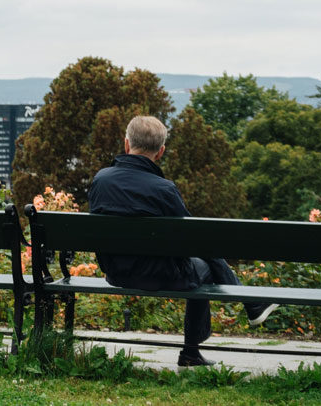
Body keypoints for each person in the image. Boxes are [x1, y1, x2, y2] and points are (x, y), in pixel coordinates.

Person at [87, 115, 277, 367]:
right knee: (205, 265)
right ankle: (194, 348)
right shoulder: (164, 189)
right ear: (161, 152)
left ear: (126, 144)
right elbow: (192, 240)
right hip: (160, 275)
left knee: (203, 258)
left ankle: (251, 303)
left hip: (116, 273)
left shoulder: (101, 180)